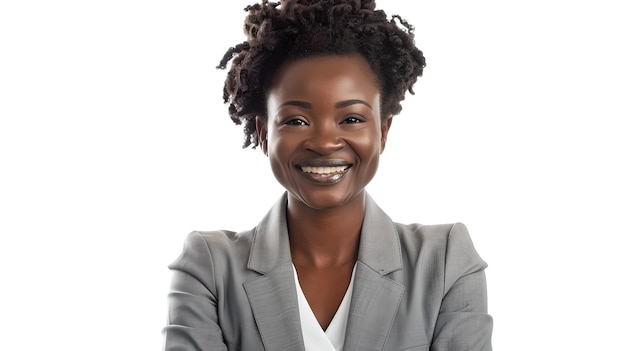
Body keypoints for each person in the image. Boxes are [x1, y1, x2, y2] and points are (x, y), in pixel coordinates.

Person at [162, 0, 493, 350]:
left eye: (351, 119)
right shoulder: (209, 268)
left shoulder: (444, 262)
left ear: (382, 131)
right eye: (296, 121)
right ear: (262, 134)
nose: (323, 143)